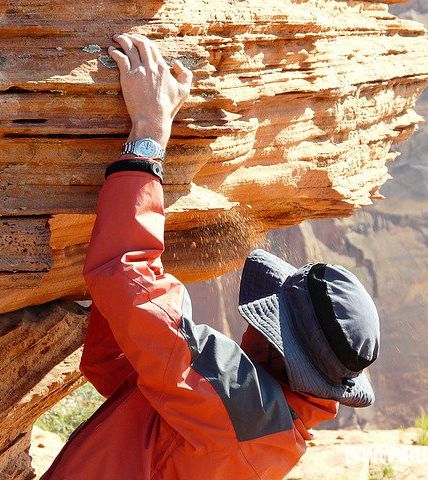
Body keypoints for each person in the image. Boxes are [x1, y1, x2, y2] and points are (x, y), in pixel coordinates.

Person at [41, 33, 380, 480]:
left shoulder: (243, 404)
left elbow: (125, 274)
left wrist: (148, 135)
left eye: (266, 319)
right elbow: (121, 370)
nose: (250, 327)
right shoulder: (278, 432)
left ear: (280, 352)